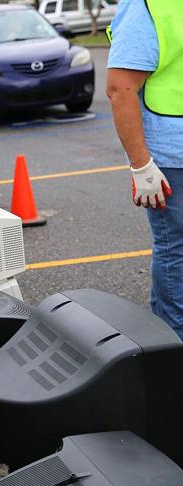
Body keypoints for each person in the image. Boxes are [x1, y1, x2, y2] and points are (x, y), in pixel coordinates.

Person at [106, 0, 182, 339]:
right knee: (176, 250)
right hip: (172, 157)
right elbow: (121, 89)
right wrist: (143, 166)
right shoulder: (148, 6)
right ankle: (174, 342)